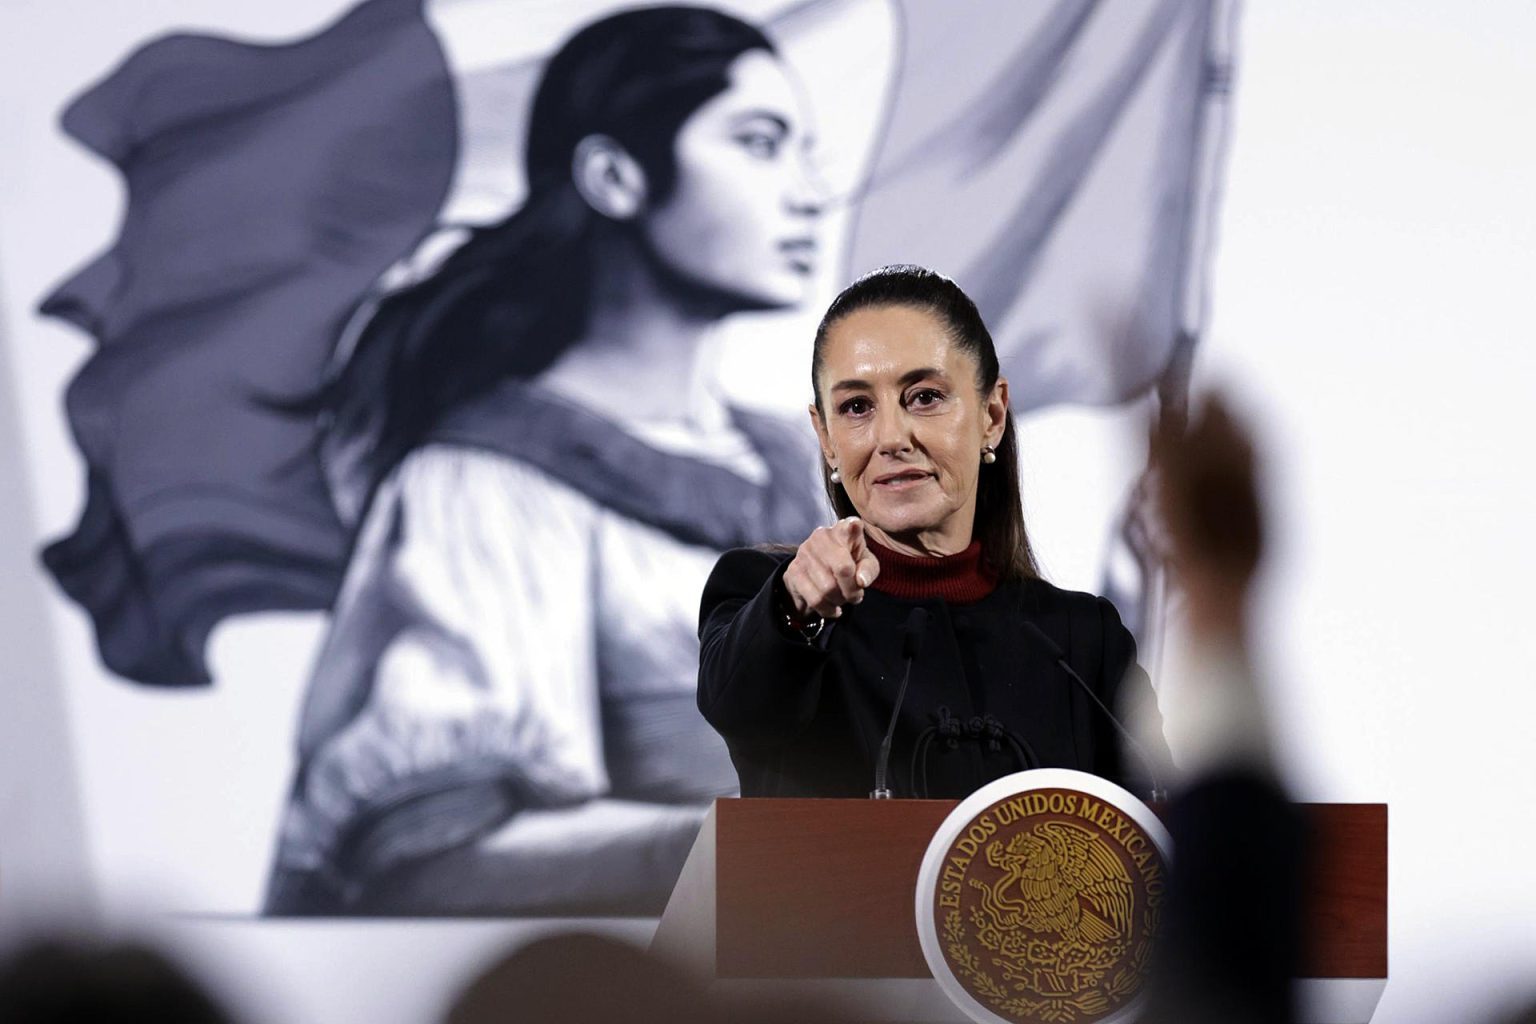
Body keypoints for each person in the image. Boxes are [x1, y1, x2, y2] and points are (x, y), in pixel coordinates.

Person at [264, 6, 828, 915]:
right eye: (760, 145)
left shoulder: (812, 467)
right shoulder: (484, 484)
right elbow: (424, 861)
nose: (809, 192)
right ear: (614, 176)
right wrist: (782, 853)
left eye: (807, 151)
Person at [697, 265, 1167, 800]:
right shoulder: (776, 604)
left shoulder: (1085, 644)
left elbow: (1162, 836)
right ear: (825, 437)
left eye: (924, 396)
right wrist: (794, 604)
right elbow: (739, 703)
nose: (891, 437)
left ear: (991, 414)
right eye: (856, 407)